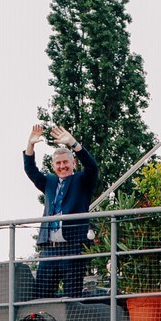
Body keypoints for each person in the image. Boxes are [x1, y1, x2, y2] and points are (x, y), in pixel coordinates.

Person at [23, 122, 99, 300]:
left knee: (72, 297)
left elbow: (92, 167)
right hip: (49, 249)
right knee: (41, 296)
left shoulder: (82, 181)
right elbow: (30, 170)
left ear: (73, 163)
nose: (62, 166)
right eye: (58, 163)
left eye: (66, 162)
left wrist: (74, 143)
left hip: (72, 247)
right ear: (53, 166)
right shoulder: (49, 182)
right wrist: (30, 145)